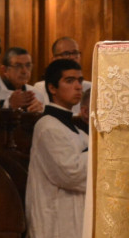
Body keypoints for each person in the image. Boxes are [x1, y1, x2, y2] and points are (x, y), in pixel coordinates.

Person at [25, 59, 87, 238]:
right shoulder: (48, 126)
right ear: (52, 88)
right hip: (54, 222)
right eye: (69, 81)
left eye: (80, 81)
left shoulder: (75, 129)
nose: (78, 87)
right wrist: (99, 153)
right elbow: (71, 173)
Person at [0, 47, 43, 113]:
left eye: (28, 65)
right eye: (17, 66)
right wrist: (10, 104)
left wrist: (38, 113)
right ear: (5, 70)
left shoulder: (36, 94)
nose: (24, 71)